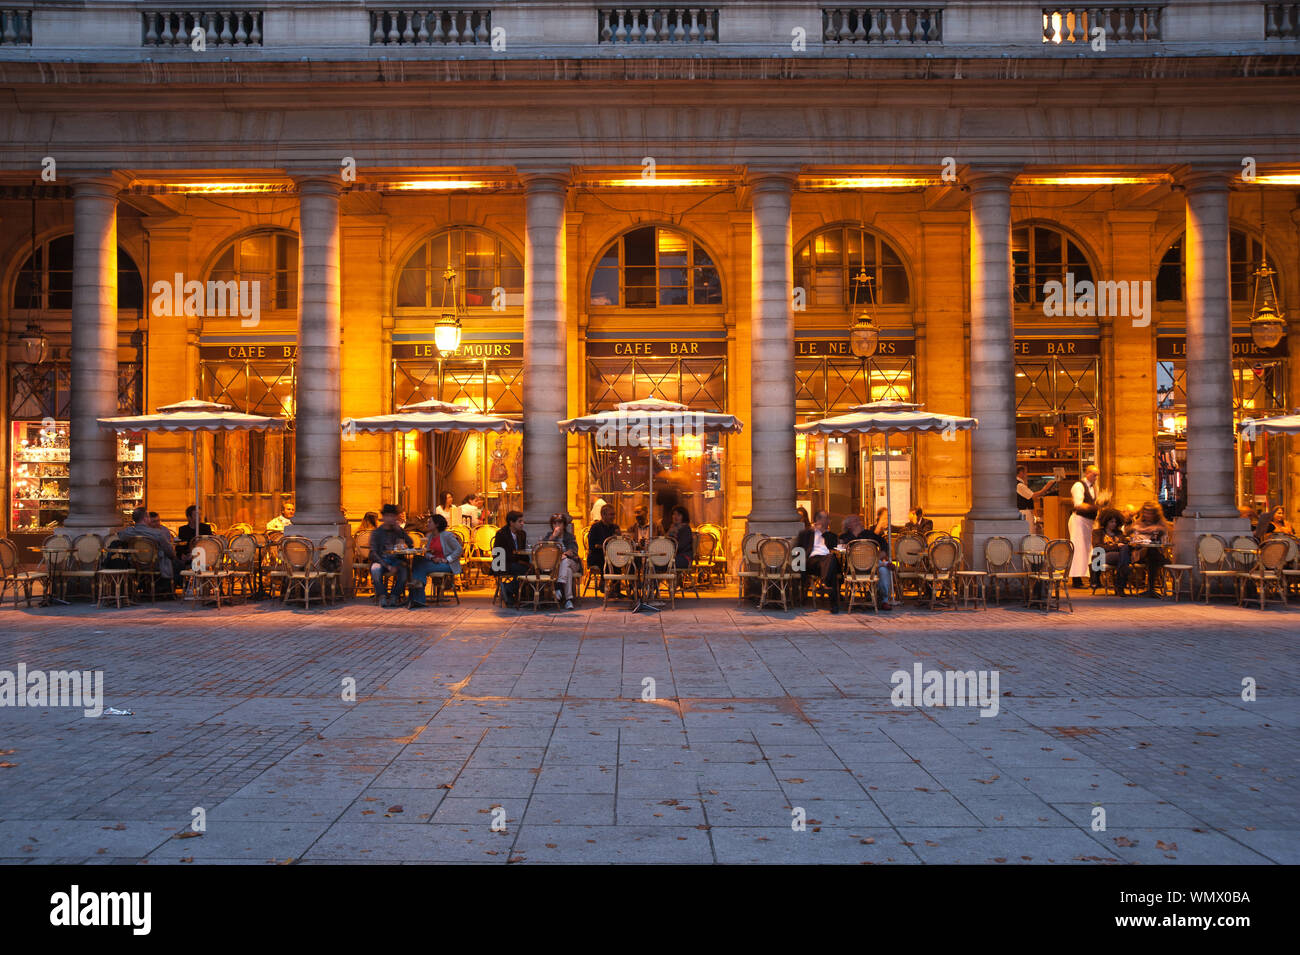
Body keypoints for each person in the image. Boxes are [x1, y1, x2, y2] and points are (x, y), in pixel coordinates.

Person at [408, 513, 462, 609]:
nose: (427, 524)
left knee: (420, 567)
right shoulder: (430, 536)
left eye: (430, 522)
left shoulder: (447, 536)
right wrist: (433, 558)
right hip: (435, 562)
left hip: (447, 565)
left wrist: (447, 559)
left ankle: (417, 596)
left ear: (437, 524)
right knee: (417, 559)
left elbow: (458, 549)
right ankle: (417, 591)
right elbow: (427, 552)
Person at [841, 511, 893, 610]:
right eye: (855, 521)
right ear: (849, 526)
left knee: (884, 571)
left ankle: (884, 601)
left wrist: (881, 553)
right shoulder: (844, 537)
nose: (859, 522)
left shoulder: (869, 534)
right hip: (853, 569)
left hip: (872, 567)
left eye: (858, 520)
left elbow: (884, 544)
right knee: (883, 567)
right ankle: (883, 564)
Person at [118, 505, 177, 590]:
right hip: (155, 564)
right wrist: (173, 555)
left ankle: (146, 588)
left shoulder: (128, 532)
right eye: (148, 516)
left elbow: (120, 536)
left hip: (135, 563)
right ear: (145, 519)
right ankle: (167, 591)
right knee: (177, 563)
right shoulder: (157, 533)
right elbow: (169, 551)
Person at [795, 509, 841, 613]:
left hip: (826, 560)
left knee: (831, 560)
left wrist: (823, 533)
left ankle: (825, 584)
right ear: (818, 520)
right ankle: (831, 598)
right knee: (831, 564)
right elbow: (798, 549)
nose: (829, 521)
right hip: (812, 561)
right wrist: (815, 530)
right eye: (826, 518)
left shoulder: (831, 536)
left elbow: (834, 547)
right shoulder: (806, 533)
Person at [369, 504, 414, 608]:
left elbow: (410, 543)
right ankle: (383, 596)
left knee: (404, 570)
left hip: (396, 560)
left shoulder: (398, 530)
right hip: (381, 560)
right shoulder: (377, 533)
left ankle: (394, 595)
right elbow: (373, 553)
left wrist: (400, 532)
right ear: (383, 517)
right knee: (375, 569)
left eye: (393, 516)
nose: (390, 519)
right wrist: (387, 566)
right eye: (388, 516)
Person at [1129, 501, 1172, 598]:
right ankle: (1151, 589)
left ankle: (1151, 589)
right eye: (1146, 512)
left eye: (1150, 513)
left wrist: (1154, 529)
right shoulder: (1139, 523)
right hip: (1140, 554)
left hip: (1155, 553)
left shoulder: (1160, 525)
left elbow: (1164, 535)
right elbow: (1132, 534)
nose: (1147, 515)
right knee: (1157, 557)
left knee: (1153, 554)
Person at [543, 512, 582, 610]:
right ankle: (568, 600)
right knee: (567, 571)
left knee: (565, 561)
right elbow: (543, 548)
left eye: (559, 523)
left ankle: (558, 587)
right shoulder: (549, 535)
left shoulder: (569, 536)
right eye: (554, 524)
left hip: (572, 563)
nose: (557, 526)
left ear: (564, 525)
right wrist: (553, 537)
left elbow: (573, 551)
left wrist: (563, 555)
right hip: (556, 566)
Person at [1068, 466, 1100, 587]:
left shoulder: (1094, 487)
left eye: (1097, 475)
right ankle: (1076, 580)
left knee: (1088, 549)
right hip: (1079, 520)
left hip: (1089, 521)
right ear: (1087, 473)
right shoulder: (1078, 485)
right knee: (1078, 549)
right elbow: (1078, 505)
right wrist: (1096, 507)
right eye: (1094, 475)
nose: (1096, 478)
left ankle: (1091, 578)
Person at [493, 510, 530, 606]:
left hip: (517, 562)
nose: (522, 524)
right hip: (503, 563)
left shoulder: (522, 534)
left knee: (534, 569)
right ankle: (510, 590)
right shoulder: (501, 533)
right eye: (520, 521)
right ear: (511, 522)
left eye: (523, 521)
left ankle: (509, 589)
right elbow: (498, 553)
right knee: (527, 571)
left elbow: (523, 551)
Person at [1092, 513, 1132, 596]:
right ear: (1105, 522)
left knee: (1124, 551)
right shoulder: (1098, 532)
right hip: (1103, 556)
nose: (1114, 524)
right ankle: (1120, 585)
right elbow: (1097, 547)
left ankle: (1119, 585)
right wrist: (1116, 546)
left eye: (1115, 522)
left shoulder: (1119, 533)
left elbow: (1124, 544)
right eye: (1111, 522)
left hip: (1119, 556)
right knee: (1125, 557)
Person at [1015, 466, 1058, 533]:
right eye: (1026, 473)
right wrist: (1046, 487)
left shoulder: (1018, 484)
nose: (1027, 475)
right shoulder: (1019, 485)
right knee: (1028, 534)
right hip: (1024, 512)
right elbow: (1033, 496)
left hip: (1023, 512)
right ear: (1021, 473)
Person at [667, 505, 694, 571]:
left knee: (657, 563)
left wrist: (668, 548)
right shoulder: (672, 529)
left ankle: (652, 581)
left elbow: (680, 545)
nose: (675, 517)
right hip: (674, 556)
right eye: (674, 514)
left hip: (684, 557)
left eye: (678, 515)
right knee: (652, 561)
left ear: (683, 516)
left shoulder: (685, 529)